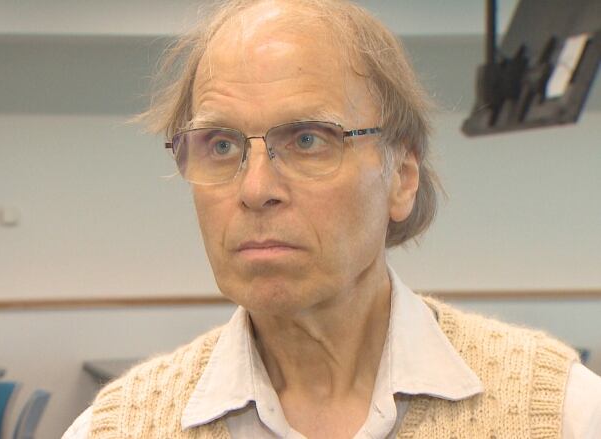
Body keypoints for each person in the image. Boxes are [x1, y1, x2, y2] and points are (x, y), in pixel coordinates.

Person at [63, 0, 601, 437]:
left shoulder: (559, 415)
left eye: (307, 140)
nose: (255, 189)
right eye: (221, 145)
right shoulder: (118, 428)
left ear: (402, 175)